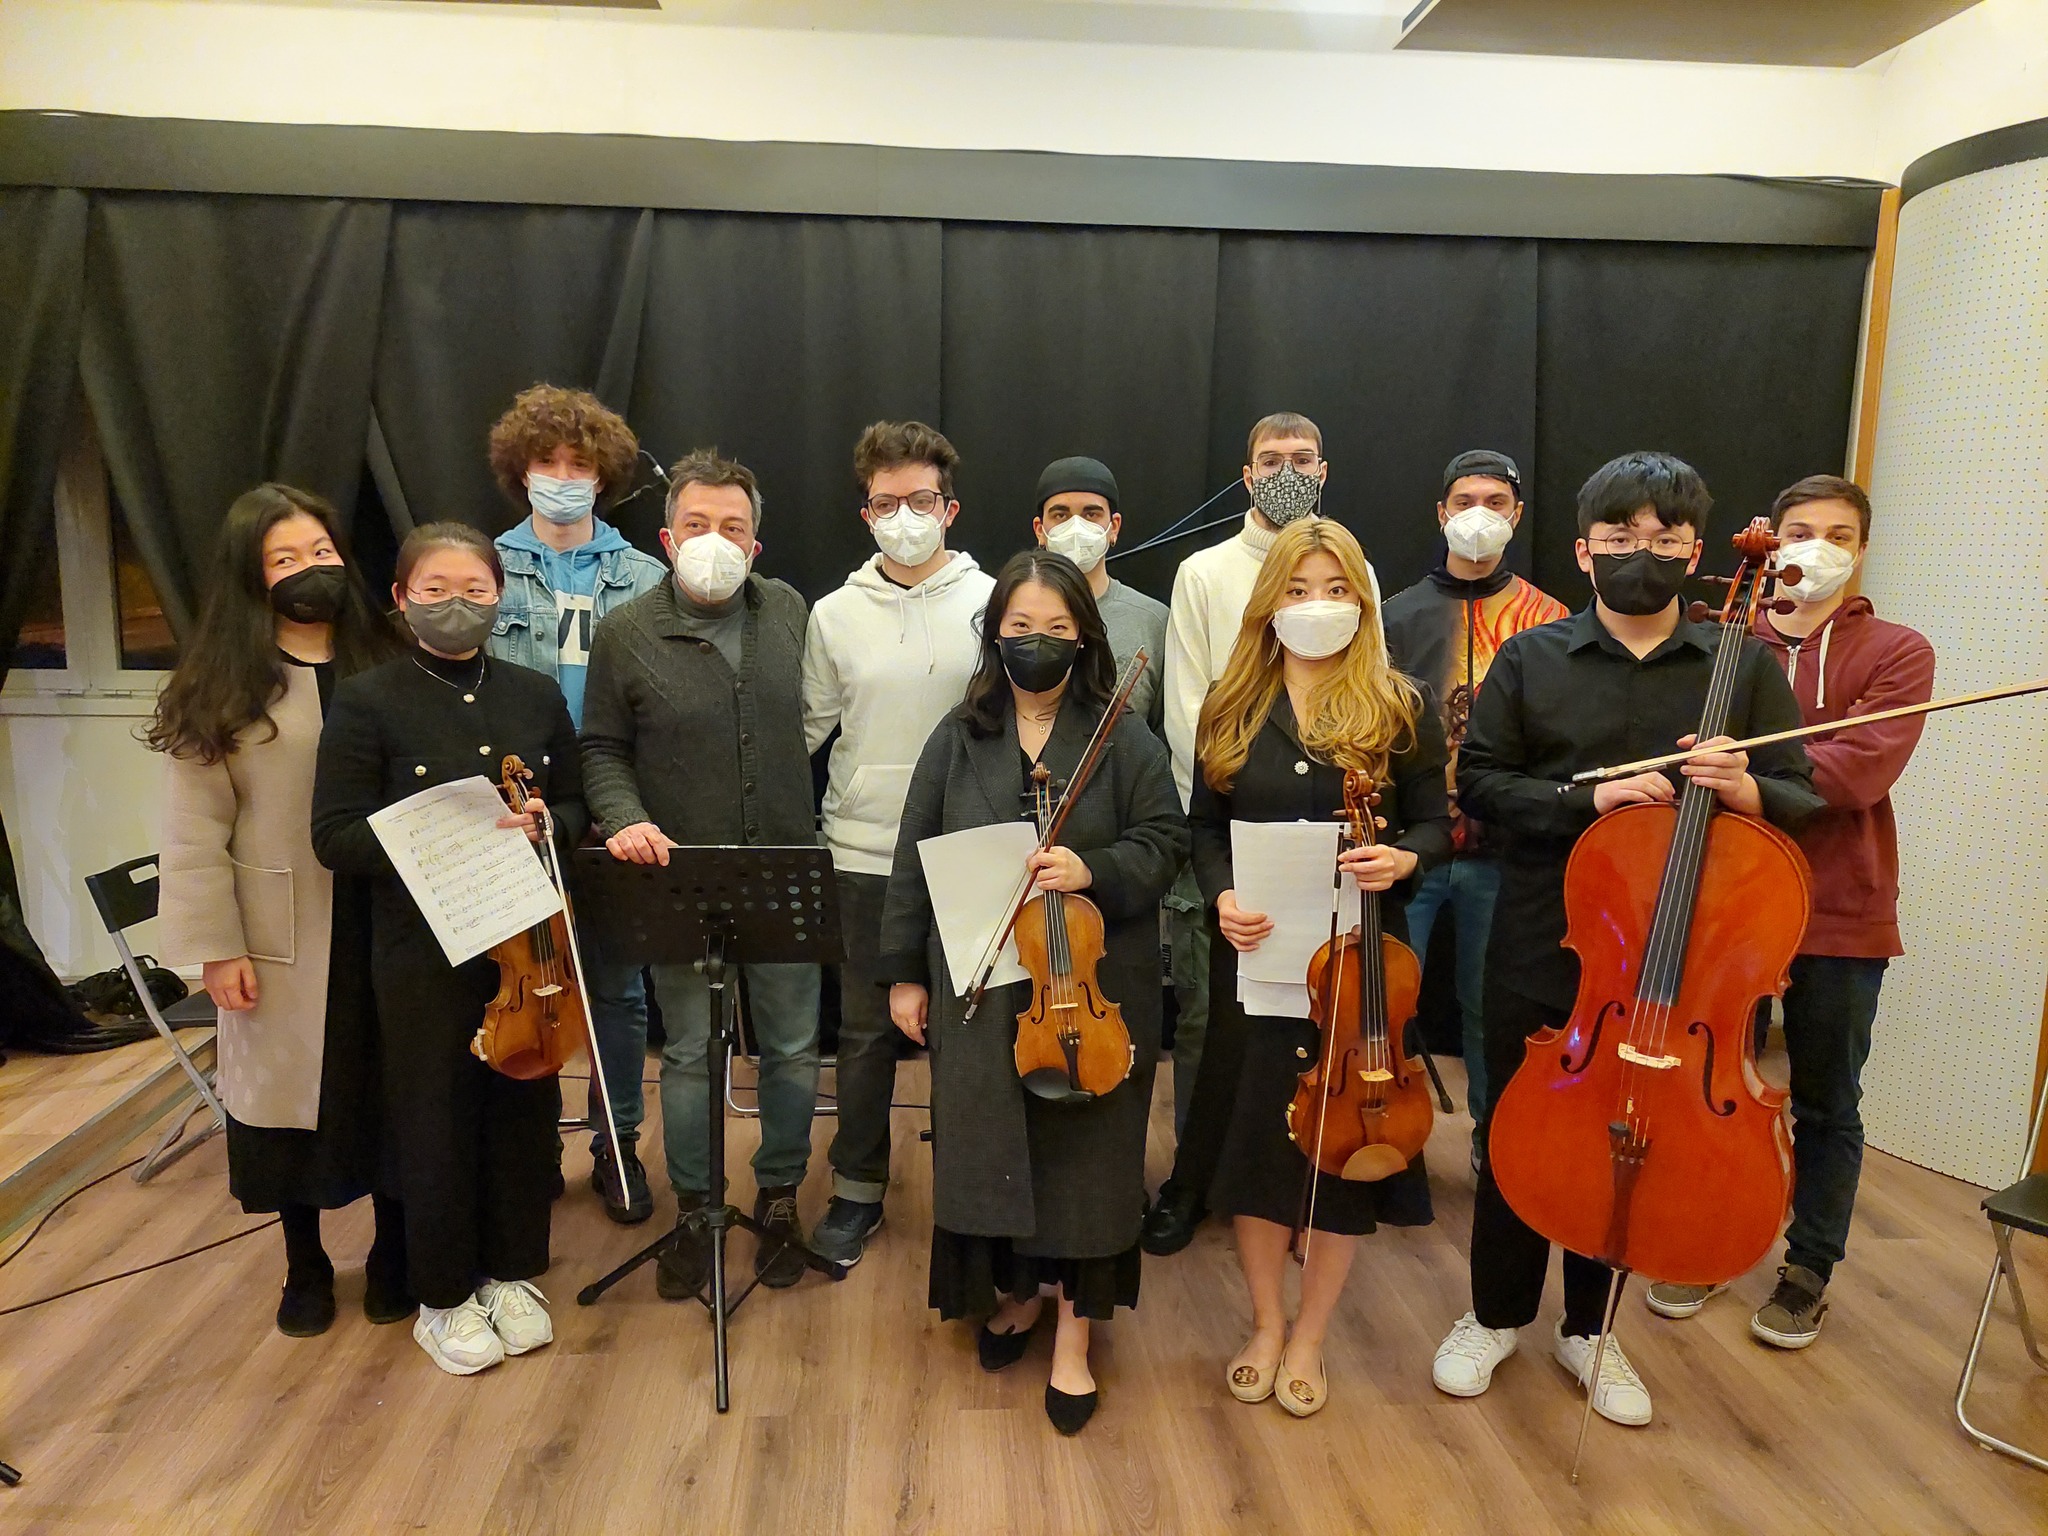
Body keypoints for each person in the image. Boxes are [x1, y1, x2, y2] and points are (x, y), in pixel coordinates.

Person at [1429, 451, 1822, 1428]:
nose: (1640, 552)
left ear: (1694, 551)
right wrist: (1587, 799)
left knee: (1637, 1140)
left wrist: (1745, 788)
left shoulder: (1740, 667)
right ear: (1582, 551)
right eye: (1619, 536)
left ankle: (1589, 1330)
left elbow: (1801, 797)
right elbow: (1482, 784)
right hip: (1547, 938)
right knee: (1520, 1126)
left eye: (1662, 538)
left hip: (1686, 967)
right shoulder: (1531, 659)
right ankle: (1493, 1313)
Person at [879, 550, 1186, 1435]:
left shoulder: (1122, 735)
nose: (1037, 642)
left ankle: (1075, 1339)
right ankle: (1015, 1292)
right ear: (995, 634)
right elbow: (913, 855)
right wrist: (904, 971)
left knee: (1087, 1154)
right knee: (991, 1144)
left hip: (1090, 979)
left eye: (1056, 628)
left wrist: (1095, 868)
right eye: (1020, 627)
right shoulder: (957, 735)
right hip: (983, 981)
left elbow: (1165, 839)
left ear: (1083, 637)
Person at [1645, 474, 1935, 1348]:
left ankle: (1807, 1267)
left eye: (1838, 535)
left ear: (1861, 548)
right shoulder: (1723, 641)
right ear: (1769, 543)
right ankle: (1709, 1240)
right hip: (1726, 902)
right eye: (1800, 530)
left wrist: (1755, 782)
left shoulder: (1897, 651)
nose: (1817, 548)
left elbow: (1860, 770)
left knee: (1826, 1099)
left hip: (1838, 905)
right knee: (1712, 1086)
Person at [1189, 518, 1451, 1417]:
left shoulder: (1399, 705)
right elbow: (1203, 829)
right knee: (1261, 1151)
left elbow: (1436, 824)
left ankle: (1311, 1335)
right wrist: (1220, 894)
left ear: (1363, 602)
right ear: (1270, 603)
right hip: (1261, 959)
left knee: (1346, 1154)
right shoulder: (1230, 704)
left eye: (1337, 590)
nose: (1317, 605)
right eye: (1299, 590)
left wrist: (1405, 858)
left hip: (1363, 972)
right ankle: (1266, 1323)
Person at [312, 522, 585, 1376]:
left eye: (475, 589)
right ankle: (442, 1297)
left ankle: (511, 1272)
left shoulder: (535, 693)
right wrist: (435, 835)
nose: (456, 605)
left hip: (524, 941)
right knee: (433, 1118)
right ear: (401, 599)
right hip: (421, 950)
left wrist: (549, 821)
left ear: (499, 596)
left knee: (521, 1107)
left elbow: (574, 805)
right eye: (435, 590)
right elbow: (333, 836)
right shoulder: (367, 699)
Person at [152, 484, 407, 1338]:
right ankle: (305, 1264)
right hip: (282, 931)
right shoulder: (219, 685)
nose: (311, 569)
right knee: (287, 1104)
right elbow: (193, 831)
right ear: (250, 575)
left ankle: (395, 1251)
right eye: (285, 558)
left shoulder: (390, 658)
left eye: (322, 552)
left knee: (392, 1090)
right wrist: (216, 947)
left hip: (390, 916)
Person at [582, 450, 823, 1295]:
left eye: (732, 526)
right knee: (688, 1052)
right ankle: (694, 1207)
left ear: (755, 543)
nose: (714, 540)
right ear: (667, 538)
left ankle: (781, 1197)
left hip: (784, 868)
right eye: (696, 524)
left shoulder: (790, 611)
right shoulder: (625, 632)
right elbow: (602, 748)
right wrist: (626, 818)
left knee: (792, 1048)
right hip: (678, 878)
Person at [1144, 411, 1384, 1255]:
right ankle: (1196, 1179)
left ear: (1324, 470)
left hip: (1337, 851)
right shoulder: (1204, 571)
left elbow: (1372, 684)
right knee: (1215, 1025)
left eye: (1301, 458)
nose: (1286, 471)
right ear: (1245, 474)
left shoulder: (1358, 567)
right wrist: (1217, 829)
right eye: (1270, 459)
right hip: (1234, 831)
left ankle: (1315, 1169)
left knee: (1327, 1023)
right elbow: (1188, 706)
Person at [801, 421, 996, 1267]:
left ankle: (973, 1194)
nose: (905, 517)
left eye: (921, 500)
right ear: (866, 513)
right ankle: (857, 1190)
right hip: (863, 851)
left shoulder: (995, 601)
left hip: (973, 852)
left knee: (971, 1033)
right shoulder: (833, 614)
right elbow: (808, 729)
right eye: (888, 503)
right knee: (865, 1035)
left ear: (949, 508)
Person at [484, 383, 667, 1225]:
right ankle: (528, 1149)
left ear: (605, 476)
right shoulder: (484, 570)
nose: (562, 477)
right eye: (547, 462)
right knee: (518, 987)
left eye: (579, 465)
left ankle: (615, 1143)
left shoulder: (647, 579)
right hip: (514, 813)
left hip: (615, 812)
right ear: (520, 470)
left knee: (617, 995)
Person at [1381, 451, 1568, 1168]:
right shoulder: (1395, 616)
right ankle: (1389, 1142)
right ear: (1441, 513)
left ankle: (1500, 1147)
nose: (1478, 514)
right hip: (1414, 847)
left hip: (1506, 851)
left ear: (1518, 515)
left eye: (1495, 501)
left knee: (1498, 1007)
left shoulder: (1549, 620)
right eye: (1464, 501)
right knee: (1387, 1001)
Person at [1031, 456, 1168, 733]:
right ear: (1040, 530)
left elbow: (1164, 731)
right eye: (1061, 515)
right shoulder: (1013, 615)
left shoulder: (1153, 621)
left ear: (1113, 527)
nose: (1076, 527)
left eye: (1091, 514)